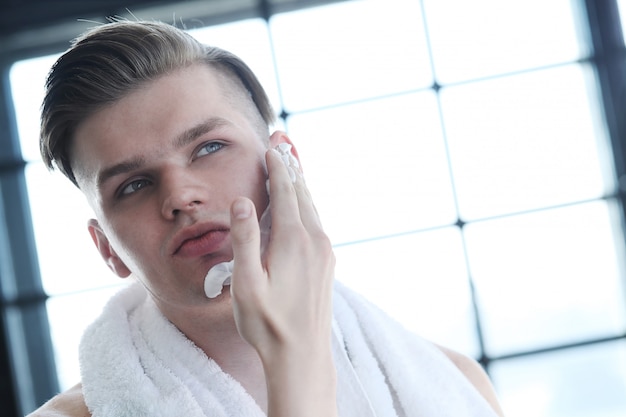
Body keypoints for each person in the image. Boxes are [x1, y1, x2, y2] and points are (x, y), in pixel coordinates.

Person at [29, 20, 505, 417]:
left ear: (286, 164)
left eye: (209, 147)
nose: (180, 196)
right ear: (107, 248)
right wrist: (298, 368)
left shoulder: (456, 385)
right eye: (132, 185)